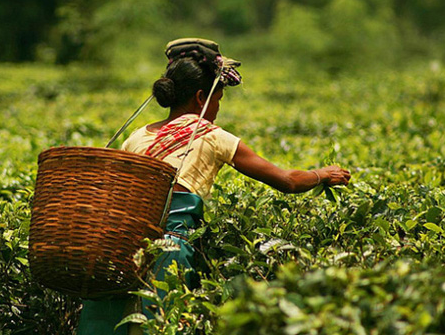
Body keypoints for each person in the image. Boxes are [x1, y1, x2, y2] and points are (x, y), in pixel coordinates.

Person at [77, 38, 351, 334]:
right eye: (217, 99)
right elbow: (287, 181)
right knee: (163, 326)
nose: (217, 108)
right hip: (169, 249)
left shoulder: (137, 136)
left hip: (120, 250)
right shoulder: (211, 135)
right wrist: (322, 174)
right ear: (200, 97)